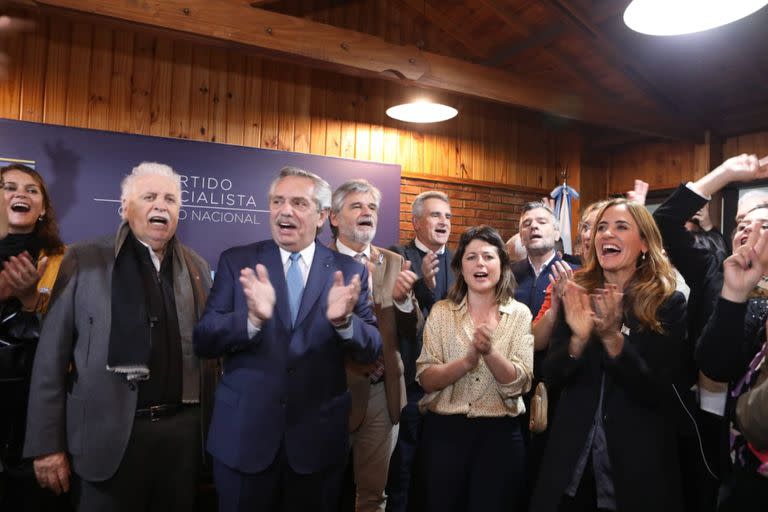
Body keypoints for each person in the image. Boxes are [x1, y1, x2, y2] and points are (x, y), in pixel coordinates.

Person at [23, 162, 214, 511]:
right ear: (125, 207)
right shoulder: (84, 259)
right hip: (105, 438)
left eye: (170, 199)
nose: (161, 205)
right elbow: (51, 357)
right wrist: (47, 445)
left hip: (181, 441)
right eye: (149, 196)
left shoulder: (197, 268)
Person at [194, 166, 382, 512]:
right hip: (244, 441)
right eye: (277, 201)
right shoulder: (238, 262)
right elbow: (203, 340)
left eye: (298, 202)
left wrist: (344, 323)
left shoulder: (350, 271)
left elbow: (372, 346)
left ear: (323, 215)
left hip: (316, 446)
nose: (285, 210)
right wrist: (249, 320)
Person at [531, 198, 687, 512]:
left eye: (620, 227)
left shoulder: (666, 304)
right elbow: (552, 375)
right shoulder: (578, 292)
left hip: (634, 465)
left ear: (644, 243)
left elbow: (657, 390)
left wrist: (613, 339)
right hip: (572, 461)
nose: (605, 235)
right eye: (601, 227)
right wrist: (578, 339)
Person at [415, 225, 532, 511]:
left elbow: (520, 382)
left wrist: (489, 353)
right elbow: (426, 379)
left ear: (502, 266)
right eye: (471, 257)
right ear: (460, 267)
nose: (480, 263)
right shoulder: (442, 312)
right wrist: (467, 362)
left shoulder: (519, 314)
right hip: (445, 435)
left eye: (489, 257)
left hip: (500, 438)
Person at [329, 179, 420, 512]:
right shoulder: (317, 262)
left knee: (372, 497)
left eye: (371, 207)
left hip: (383, 393)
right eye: (356, 206)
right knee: (319, 489)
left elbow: (413, 330)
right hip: (331, 392)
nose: (366, 212)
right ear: (334, 218)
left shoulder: (393, 261)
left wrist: (405, 301)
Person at [0, 164, 68, 512]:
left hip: (30, 422)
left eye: (31, 190)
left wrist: (29, 301)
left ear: (42, 209)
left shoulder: (64, 262)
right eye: (8, 187)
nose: (20, 194)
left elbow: (66, 343)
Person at [386, 190, 454, 512]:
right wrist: (423, 286)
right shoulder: (397, 257)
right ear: (415, 222)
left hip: (451, 386)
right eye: (435, 215)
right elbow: (393, 318)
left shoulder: (462, 261)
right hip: (410, 387)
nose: (444, 222)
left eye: (448, 217)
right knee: (402, 469)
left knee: (439, 471)